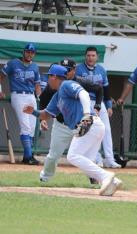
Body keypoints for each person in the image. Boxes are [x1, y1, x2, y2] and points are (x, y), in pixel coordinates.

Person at [23, 64, 122, 196]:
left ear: (54, 77)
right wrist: (33, 112)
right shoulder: (57, 96)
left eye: (49, 76)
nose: (47, 80)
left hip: (89, 123)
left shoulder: (66, 84)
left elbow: (84, 94)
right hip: (94, 126)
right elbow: (46, 114)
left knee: (73, 156)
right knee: (86, 160)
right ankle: (113, 181)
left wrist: (86, 114)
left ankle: (106, 176)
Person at [38, 59, 104, 183]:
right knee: (53, 155)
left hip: (81, 123)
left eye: (68, 69)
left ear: (74, 70)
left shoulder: (79, 82)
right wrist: (42, 120)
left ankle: (95, 178)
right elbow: (43, 100)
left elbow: (99, 88)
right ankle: (45, 178)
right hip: (61, 124)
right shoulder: (54, 84)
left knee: (83, 155)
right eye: (63, 68)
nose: (65, 72)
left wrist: (97, 106)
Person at [75, 46, 121, 168]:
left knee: (106, 130)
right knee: (90, 130)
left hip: (99, 102)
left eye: (93, 55)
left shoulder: (101, 70)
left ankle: (109, 159)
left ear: (97, 57)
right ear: (85, 56)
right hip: (85, 101)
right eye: (88, 55)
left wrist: (109, 105)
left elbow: (106, 90)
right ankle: (95, 157)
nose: (90, 58)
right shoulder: (78, 69)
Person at [0, 43, 41, 165]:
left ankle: (28, 155)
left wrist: (38, 96)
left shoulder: (35, 66)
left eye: (32, 52)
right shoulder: (13, 63)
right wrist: (0, 91)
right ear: (23, 52)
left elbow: (37, 85)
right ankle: (29, 157)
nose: (29, 54)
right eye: (27, 51)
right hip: (18, 95)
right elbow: (1, 76)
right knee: (26, 126)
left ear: (34, 54)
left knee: (33, 127)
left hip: (31, 96)